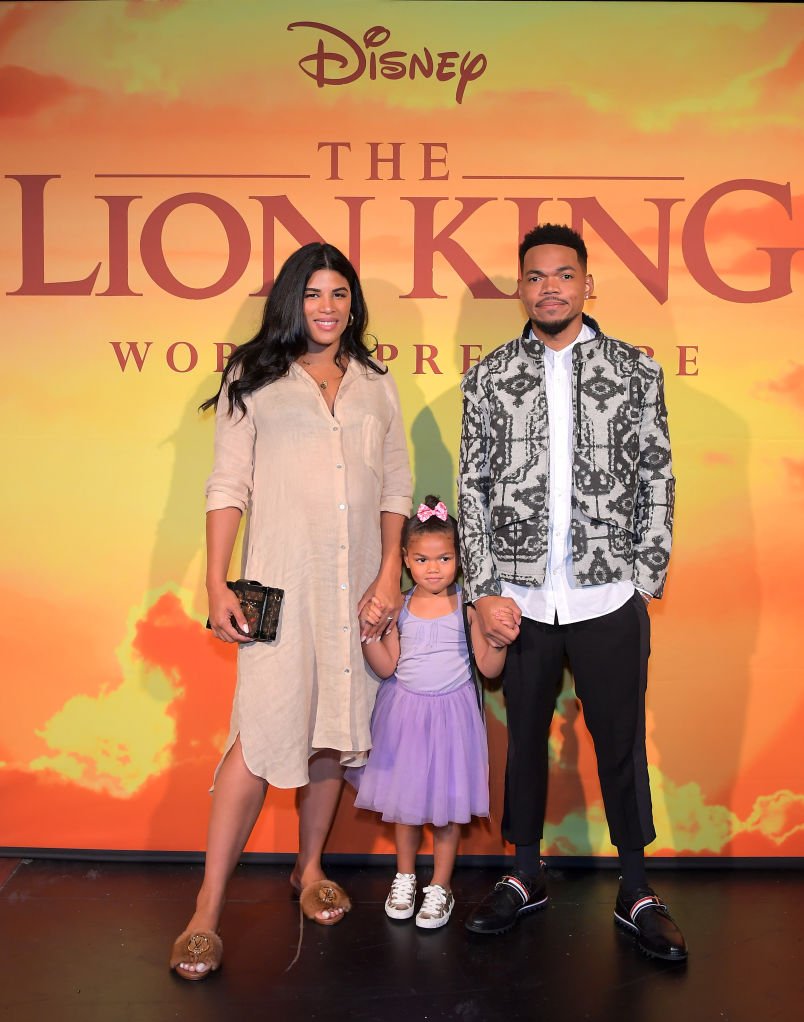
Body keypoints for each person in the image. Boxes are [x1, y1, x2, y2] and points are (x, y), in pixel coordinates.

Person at [169, 242, 412, 980]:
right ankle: (206, 909)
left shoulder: (374, 381)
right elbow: (226, 485)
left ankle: (308, 871)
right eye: (313, 294)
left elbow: (396, 485)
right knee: (258, 731)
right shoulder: (255, 376)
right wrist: (216, 582)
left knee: (334, 731)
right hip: (273, 584)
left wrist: (389, 573)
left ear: (352, 304)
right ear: (290, 302)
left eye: (339, 294)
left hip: (357, 590)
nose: (327, 307)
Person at [458, 223, 687, 961]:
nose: (549, 286)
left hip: (607, 595)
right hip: (521, 601)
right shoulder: (490, 378)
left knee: (618, 742)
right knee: (523, 741)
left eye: (564, 274)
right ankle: (525, 874)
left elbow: (656, 473)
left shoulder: (633, 371)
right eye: (535, 276)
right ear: (520, 287)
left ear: (588, 283)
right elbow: (474, 488)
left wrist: (644, 574)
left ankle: (637, 887)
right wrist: (486, 590)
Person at [349, 495, 505, 929]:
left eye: (444, 557)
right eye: (421, 558)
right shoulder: (399, 605)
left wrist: (498, 640)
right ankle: (404, 876)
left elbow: (489, 670)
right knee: (407, 806)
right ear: (405, 560)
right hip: (405, 716)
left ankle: (440, 886)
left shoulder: (468, 608)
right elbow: (387, 667)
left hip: (453, 718)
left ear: (460, 558)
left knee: (447, 807)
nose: (433, 568)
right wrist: (368, 635)